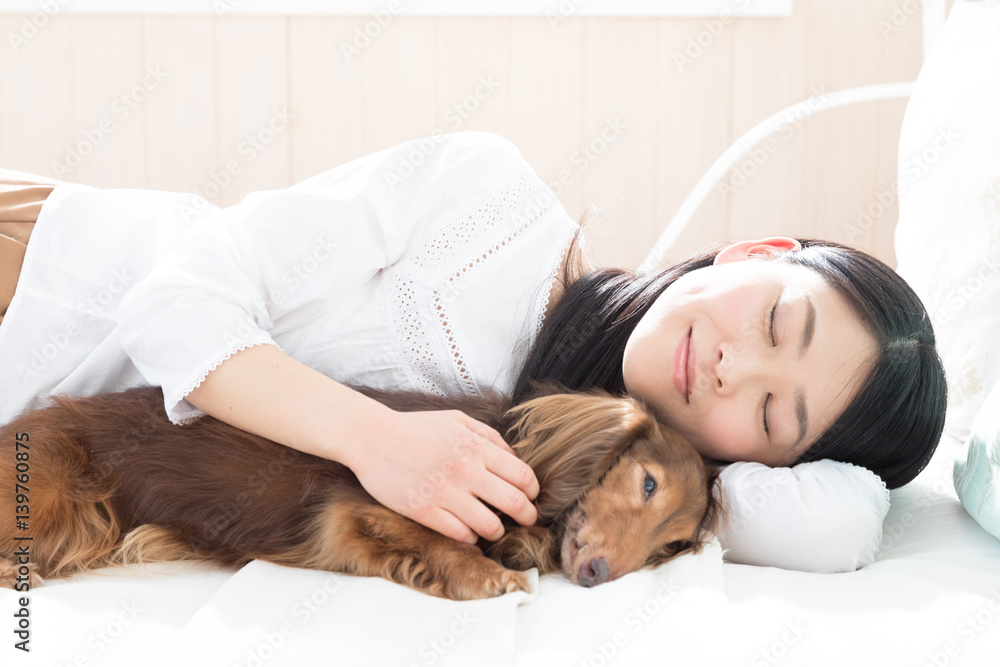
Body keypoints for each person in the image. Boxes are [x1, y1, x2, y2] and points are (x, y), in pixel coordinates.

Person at [0, 131, 946, 573]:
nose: (739, 366)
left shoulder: (589, 486)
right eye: (777, 321)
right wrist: (376, 439)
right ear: (756, 252)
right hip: (36, 278)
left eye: (774, 414)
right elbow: (171, 303)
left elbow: (833, 524)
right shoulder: (489, 202)